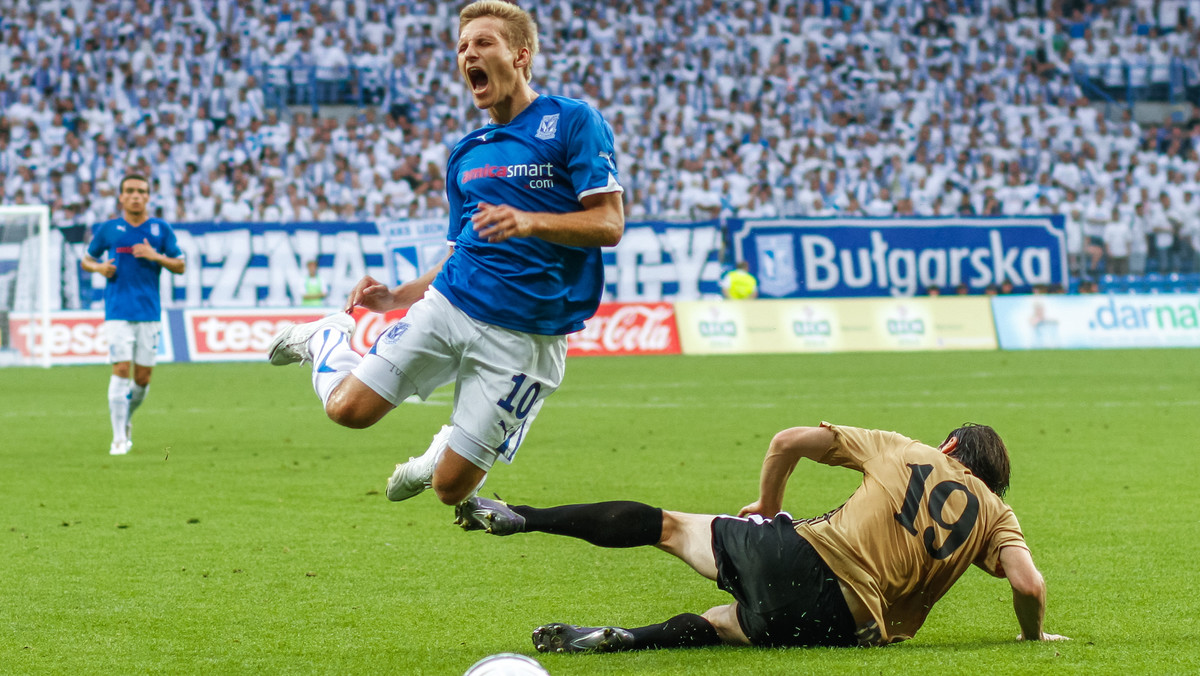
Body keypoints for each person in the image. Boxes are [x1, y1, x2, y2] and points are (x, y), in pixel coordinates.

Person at [266, 0, 624, 507]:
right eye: (461, 47)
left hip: (529, 341)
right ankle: (326, 337)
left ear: (521, 55)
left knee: (450, 490)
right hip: (452, 305)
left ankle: (442, 452)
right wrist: (398, 296)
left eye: (483, 43)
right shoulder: (467, 153)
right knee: (348, 410)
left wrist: (530, 222)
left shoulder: (571, 121)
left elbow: (609, 224)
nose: (468, 54)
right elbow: (463, 248)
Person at [455, 422, 1067, 652]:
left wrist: (770, 505)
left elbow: (786, 440)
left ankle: (525, 515)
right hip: (848, 625)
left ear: (952, 446)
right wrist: (1031, 635)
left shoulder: (905, 448)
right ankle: (623, 640)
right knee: (726, 623)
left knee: (669, 528)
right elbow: (1028, 584)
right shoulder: (995, 517)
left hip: (800, 554)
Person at [80, 175, 186, 455]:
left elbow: (180, 265)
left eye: (141, 191)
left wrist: (156, 257)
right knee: (121, 370)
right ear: (121, 197)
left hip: (149, 313)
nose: (136, 196)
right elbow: (86, 259)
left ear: (148, 197)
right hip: (117, 312)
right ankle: (118, 438)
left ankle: (125, 419)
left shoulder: (160, 229)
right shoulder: (109, 229)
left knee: (142, 379)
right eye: (130, 191)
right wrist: (99, 268)